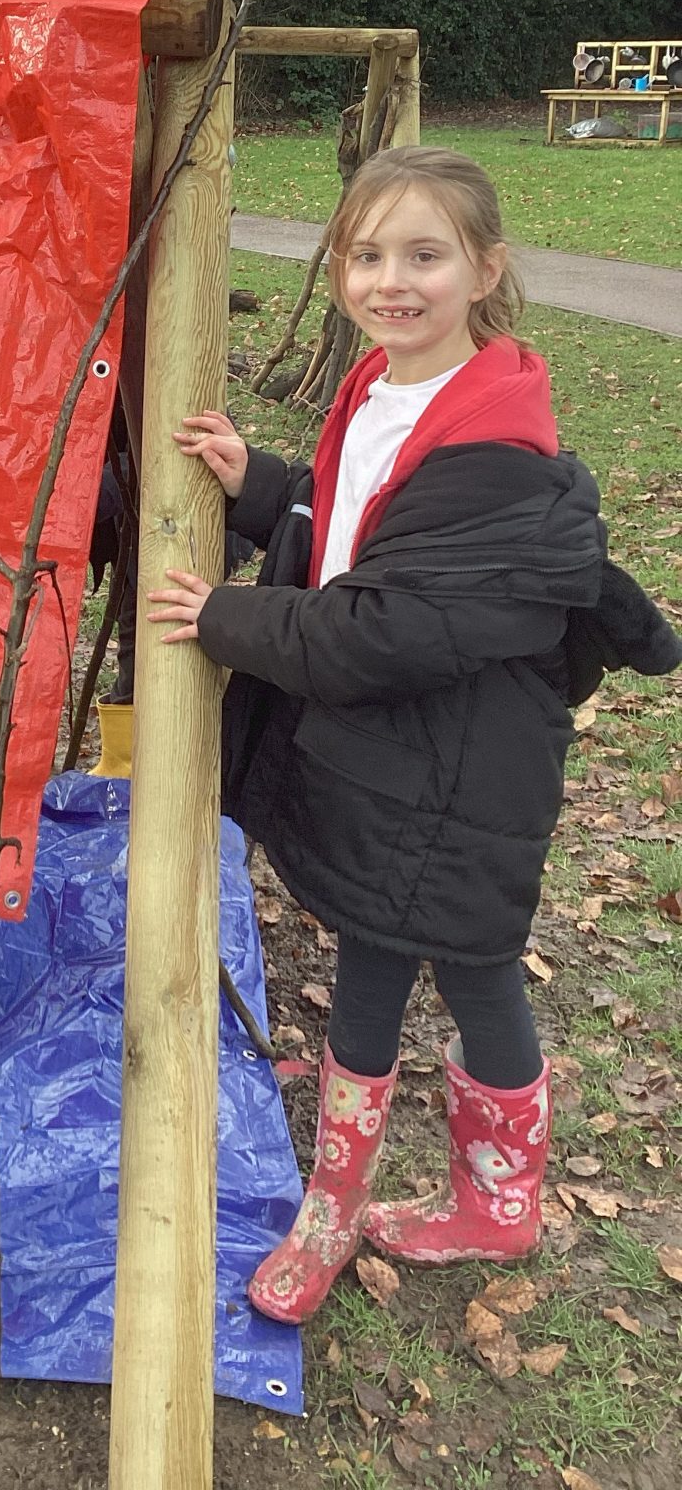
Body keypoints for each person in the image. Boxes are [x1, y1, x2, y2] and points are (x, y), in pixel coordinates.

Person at [146, 145, 680, 1325]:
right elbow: (356, 525)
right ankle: (482, 1200)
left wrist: (228, 616)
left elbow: (385, 625)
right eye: (367, 254)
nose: (392, 280)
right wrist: (261, 484)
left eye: (425, 255)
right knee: (422, 956)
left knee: (425, 962)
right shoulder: (389, 391)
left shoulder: (493, 446)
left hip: (455, 770)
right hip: (416, 752)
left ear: (485, 270)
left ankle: (354, 1209)